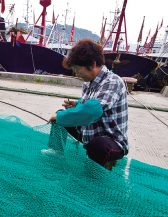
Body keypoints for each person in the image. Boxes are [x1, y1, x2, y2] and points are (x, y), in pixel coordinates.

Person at [46, 38, 129, 171]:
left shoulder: (113, 82)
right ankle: (56, 154)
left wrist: (62, 116)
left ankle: (91, 176)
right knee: (60, 115)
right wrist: (77, 104)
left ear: (92, 64)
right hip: (88, 133)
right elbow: (89, 102)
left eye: (78, 69)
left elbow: (93, 110)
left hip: (111, 141)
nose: (77, 73)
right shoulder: (88, 82)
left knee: (98, 145)